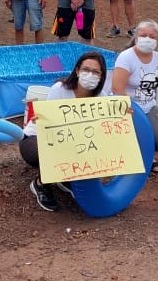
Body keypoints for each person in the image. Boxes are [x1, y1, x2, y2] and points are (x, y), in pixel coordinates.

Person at [21, 51, 110, 212]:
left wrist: (123, 113)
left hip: (74, 144)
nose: (90, 75)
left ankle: (63, 179)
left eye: (96, 72)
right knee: (51, 152)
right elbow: (49, 128)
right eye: (86, 70)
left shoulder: (102, 98)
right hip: (37, 139)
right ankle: (42, 183)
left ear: (102, 76)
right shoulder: (60, 89)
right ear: (77, 71)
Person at [111, 20, 158, 173]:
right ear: (136, 37)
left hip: (149, 107)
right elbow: (117, 87)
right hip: (127, 107)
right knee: (137, 130)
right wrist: (128, 106)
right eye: (143, 35)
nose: (148, 39)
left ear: (157, 39)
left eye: (152, 36)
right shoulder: (126, 57)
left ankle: (145, 154)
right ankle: (133, 155)